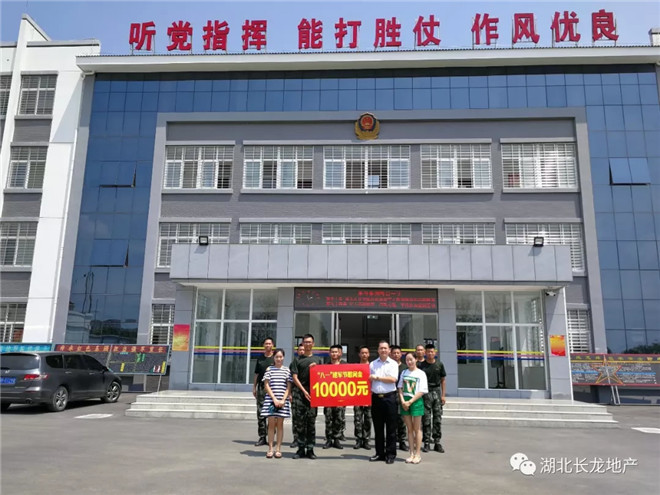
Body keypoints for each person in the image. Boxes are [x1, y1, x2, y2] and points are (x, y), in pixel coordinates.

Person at [291, 333, 323, 459]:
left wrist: (316, 368)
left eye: (310, 342)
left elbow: (323, 376)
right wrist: (304, 391)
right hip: (300, 393)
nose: (308, 344)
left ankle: (310, 449)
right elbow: (294, 377)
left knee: (311, 423)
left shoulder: (318, 360)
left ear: (313, 344)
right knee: (300, 423)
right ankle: (300, 449)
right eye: (305, 342)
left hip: (313, 394)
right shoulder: (297, 360)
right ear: (302, 344)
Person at [369, 340, 399, 464]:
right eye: (381, 348)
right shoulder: (372, 364)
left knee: (391, 428)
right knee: (378, 428)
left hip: (389, 398)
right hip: (376, 398)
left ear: (389, 350)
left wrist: (377, 377)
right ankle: (379, 453)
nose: (383, 350)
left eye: (385, 348)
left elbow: (393, 379)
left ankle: (390, 454)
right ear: (378, 350)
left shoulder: (393, 364)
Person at [261, 348, 292, 459]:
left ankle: (278, 449)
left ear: (283, 357)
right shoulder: (269, 369)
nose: (279, 359)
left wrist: (283, 399)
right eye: (277, 357)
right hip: (271, 401)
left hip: (283, 401)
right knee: (271, 425)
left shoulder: (287, 370)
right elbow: (266, 385)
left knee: (280, 425)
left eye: (281, 357)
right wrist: (274, 399)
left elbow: (288, 386)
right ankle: (270, 448)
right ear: (273, 358)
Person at [398, 352, 428, 464]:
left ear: (416, 360)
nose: (409, 362)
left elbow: (422, 391)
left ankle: (418, 454)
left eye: (411, 359)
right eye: (407, 360)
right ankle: (411, 453)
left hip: (416, 401)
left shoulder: (421, 373)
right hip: (405, 402)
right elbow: (400, 388)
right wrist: (403, 401)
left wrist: (410, 401)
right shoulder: (404, 372)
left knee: (417, 429)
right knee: (409, 429)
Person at [419, 343, 447, 453]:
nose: (430, 353)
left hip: (436, 392)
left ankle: (437, 442)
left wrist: (443, 395)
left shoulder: (439, 365)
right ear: (425, 353)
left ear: (434, 352)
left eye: (432, 351)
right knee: (426, 419)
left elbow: (443, 380)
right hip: (425, 392)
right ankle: (426, 442)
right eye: (428, 351)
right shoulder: (421, 365)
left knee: (437, 418)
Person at [252, 337, 274, 446]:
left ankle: (271, 436)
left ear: (272, 345)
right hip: (261, 388)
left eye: (269, 343)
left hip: (273, 388)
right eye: (266, 343)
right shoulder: (260, 359)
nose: (268, 345)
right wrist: (254, 387)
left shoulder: (275, 358)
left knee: (272, 412)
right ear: (263, 345)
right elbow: (256, 374)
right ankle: (262, 437)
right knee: (261, 413)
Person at [323, 345, 346, 450]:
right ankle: (329, 440)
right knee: (328, 419)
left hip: (340, 397)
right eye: (332, 352)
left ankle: (336, 439)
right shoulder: (325, 366)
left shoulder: (345, 366)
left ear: (339, 353)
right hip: (328, 397)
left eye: (336, 352)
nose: (334, 354)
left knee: (338, 419)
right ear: (329, 353)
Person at [389, 345, 408, 452]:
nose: (396, 355)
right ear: (391, 354)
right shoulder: (388, 366)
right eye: (394, 353)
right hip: (390, 394)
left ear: (401, 354)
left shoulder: (405, 367)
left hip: (401, 395)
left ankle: (402, 441)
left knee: (401, 419)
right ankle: (391, 440)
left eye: (398, 353)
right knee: (391, 419)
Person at [353, 346, 372, 450]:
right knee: (358, 419)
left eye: (366, 353)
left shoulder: (372, 367)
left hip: (369, 396)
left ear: (369, 354)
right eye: (362, 353)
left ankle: (366, 439)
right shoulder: (355, 367)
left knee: (368, 419)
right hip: (358, 396)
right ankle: (358, 439)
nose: (364, 354)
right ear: (359, 354)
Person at [289, 343, 305, 449]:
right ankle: (296, 439)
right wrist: (289, 393)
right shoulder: (294, 362)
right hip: (296, 392)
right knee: (296, 417)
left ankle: (305, 439)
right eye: (300, 350)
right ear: (297, 351)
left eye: (303, 350)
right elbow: (290, 380)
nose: (302, 351)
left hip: (307, 392)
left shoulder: (311, 361)